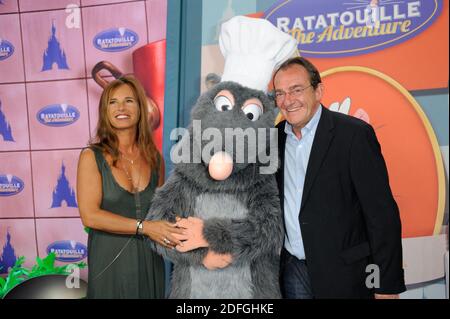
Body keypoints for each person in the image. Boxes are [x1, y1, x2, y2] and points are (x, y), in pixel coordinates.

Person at [273, 57, 406, 299]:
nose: (287, 100)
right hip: (293, 271)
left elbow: (381, 215)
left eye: (296, 90)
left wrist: (386, 284)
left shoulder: (354, 135)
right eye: (279, 93)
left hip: (347, 275)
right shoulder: (272, 140)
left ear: (319, 91)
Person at [77, 75, 185, 299]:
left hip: (149, 262)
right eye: (112, 102)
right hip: (109, 263)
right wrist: (145, 227)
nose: (121, 108)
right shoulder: (91, 156)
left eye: (129, 100)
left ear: (141, 107)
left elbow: (159, 213)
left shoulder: (155, 159)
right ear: (105, 111)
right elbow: (90, 216)